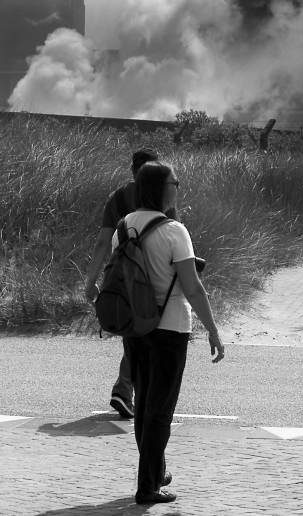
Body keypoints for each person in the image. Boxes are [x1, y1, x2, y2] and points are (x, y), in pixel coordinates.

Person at [120, 161, 225, 505]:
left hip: (135, 326)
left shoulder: (124, 227)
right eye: (174, 183)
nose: (177, 188)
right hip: (170, 328)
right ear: (161, 189)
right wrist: (213, 331)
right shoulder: (174, 231)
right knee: (160, 410)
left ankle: (154, 469)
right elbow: (192, 288)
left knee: (145, 405)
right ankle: (148, 486)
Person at [84, 149, 177, 419]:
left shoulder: (117, 197)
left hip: (121, 275)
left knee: (134, 333)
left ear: (132, 169)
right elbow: (175, 229)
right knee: (145, 333)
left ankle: (125, 391)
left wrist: (91, 281)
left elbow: (103, 242)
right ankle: (125, 391)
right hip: (153, 276)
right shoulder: (161, 194)